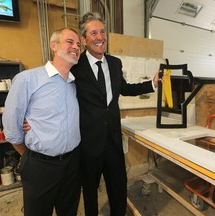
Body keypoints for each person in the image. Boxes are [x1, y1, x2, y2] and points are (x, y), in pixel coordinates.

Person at [71, 12, 161, 215]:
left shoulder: (114, 63)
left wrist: (152, 84)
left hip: (113, 140)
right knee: (90, 193)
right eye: (93, 33)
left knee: (118, 189)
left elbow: (125, 88)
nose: (100, 37)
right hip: (88, 143)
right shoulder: (76, 67)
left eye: (102, 31)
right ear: (84, 39)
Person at [2, 28, 81, 216]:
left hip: (72, 164)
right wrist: (29, 155)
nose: (76, 47)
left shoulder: (74, 83)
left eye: (79, 44)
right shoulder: (27, 79)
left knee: (69, 211)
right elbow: (11, 126)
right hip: (40, 166)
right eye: (70, 42)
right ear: (54, 46)